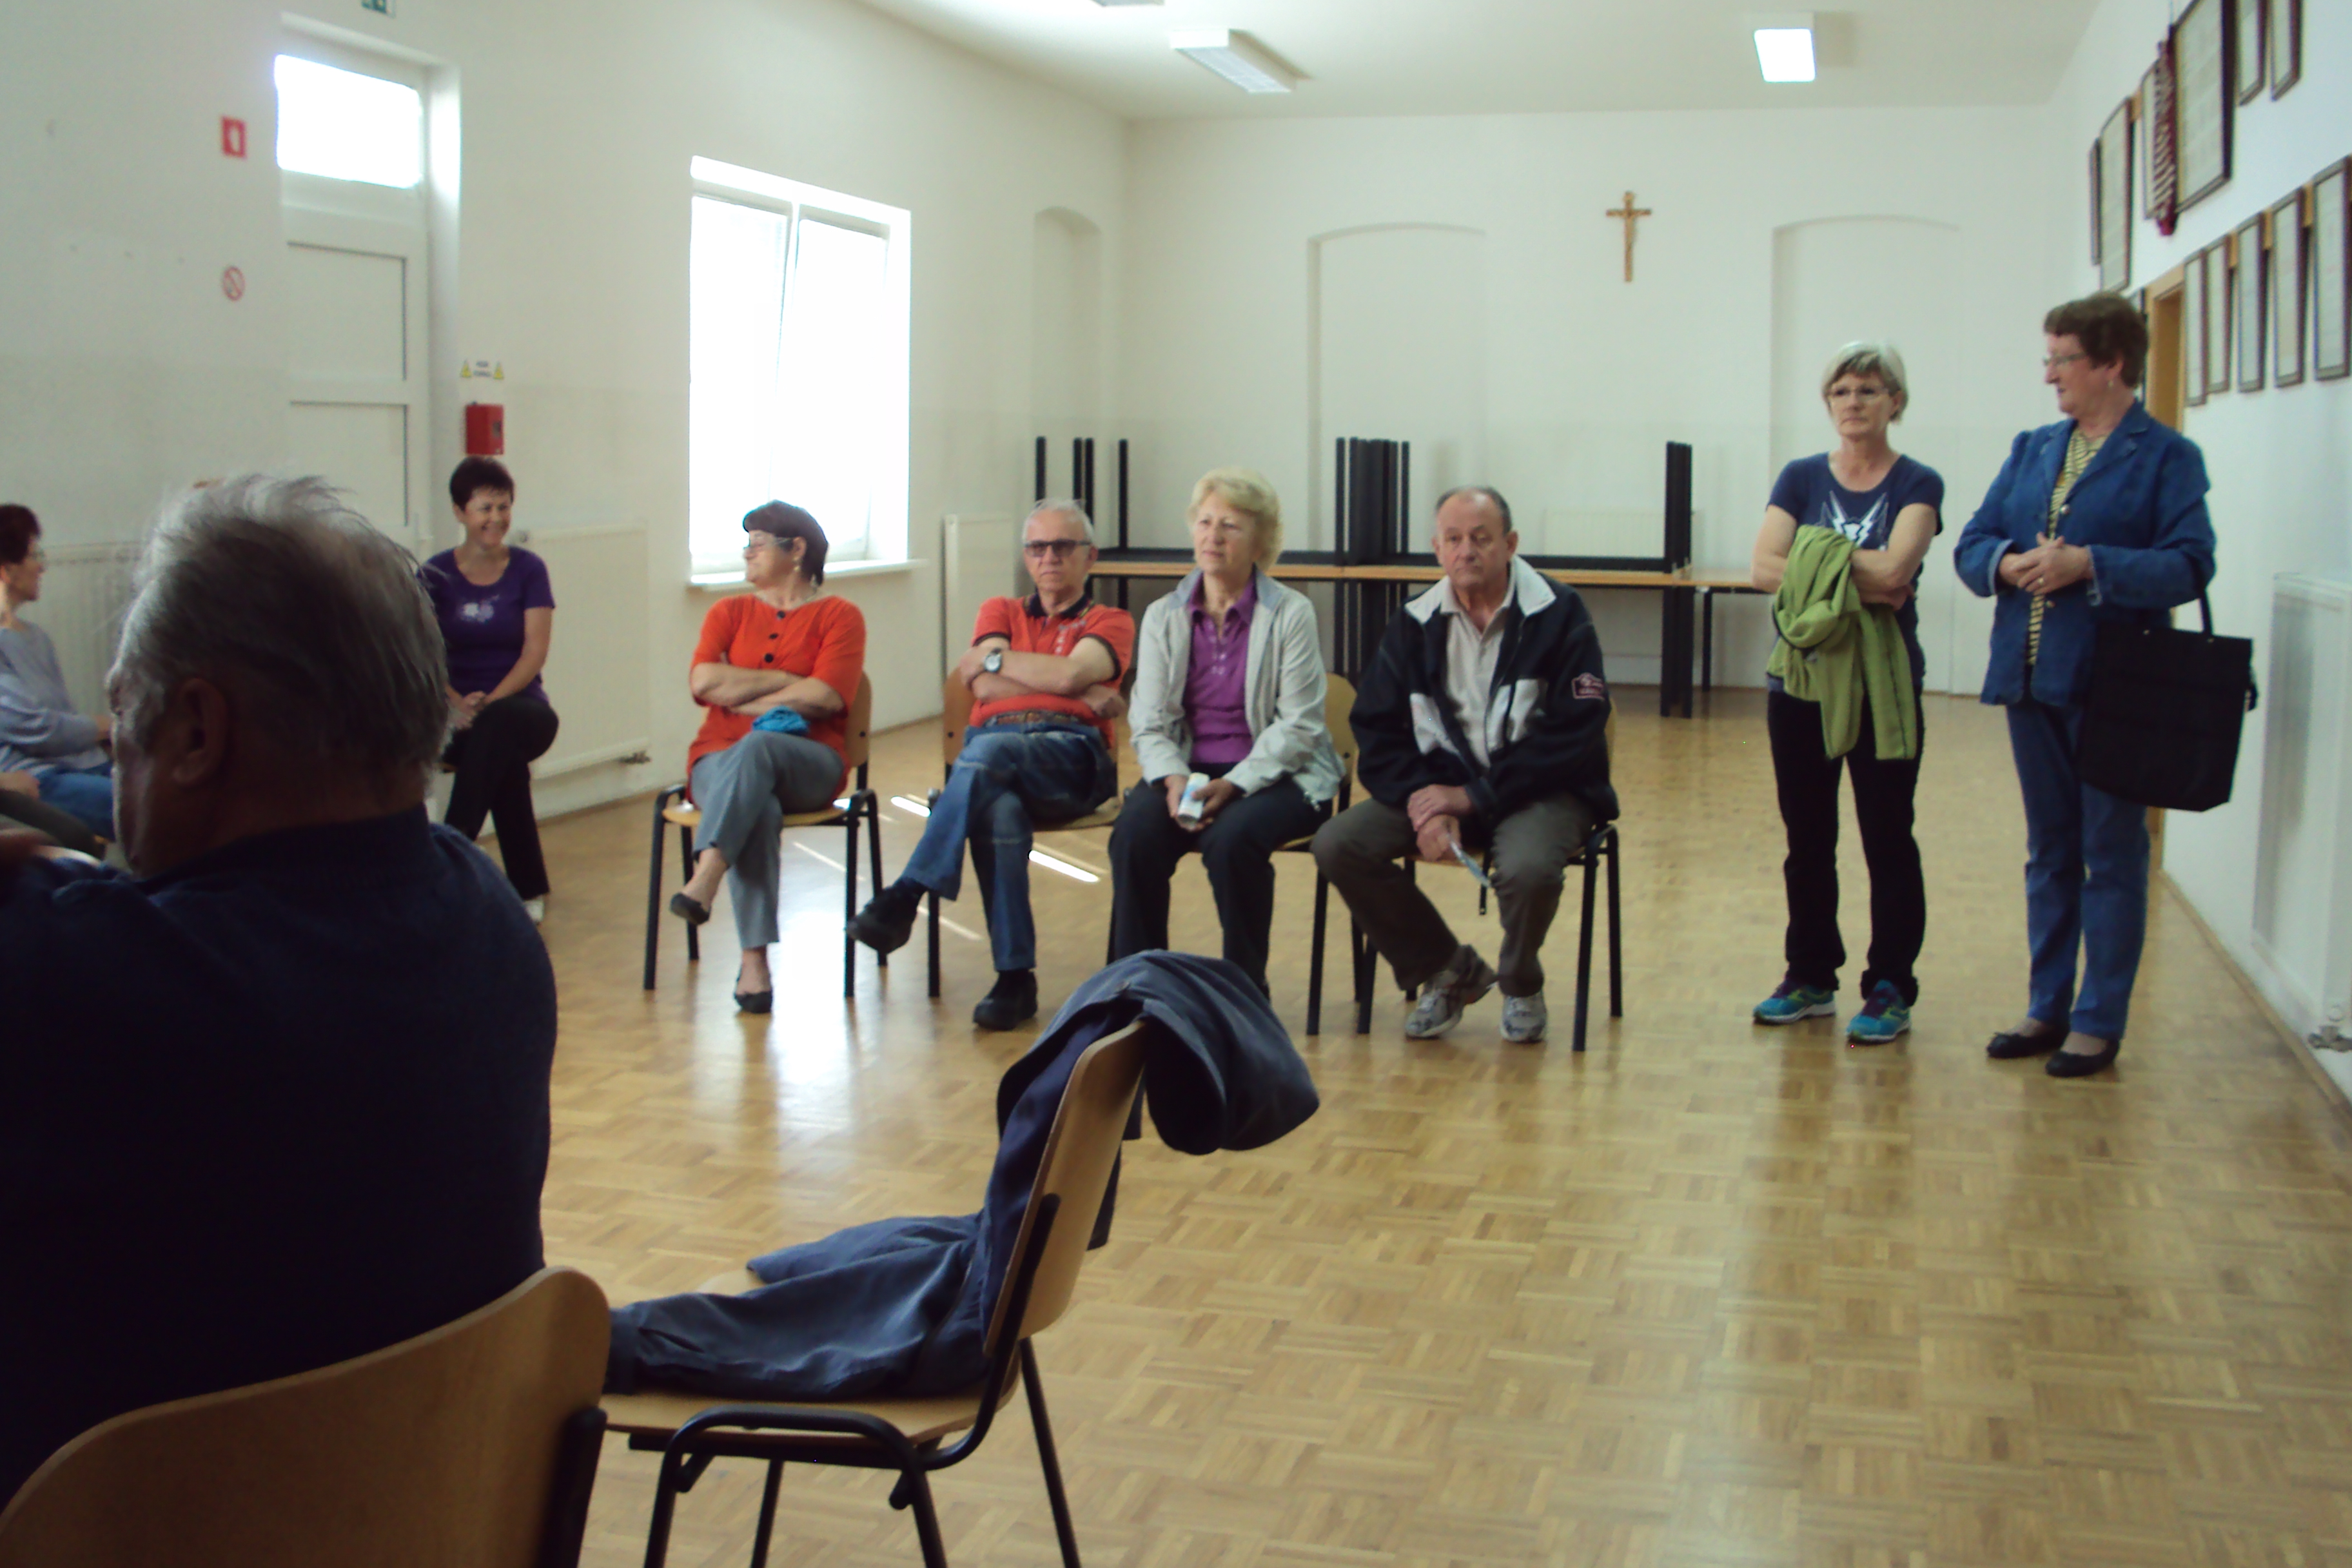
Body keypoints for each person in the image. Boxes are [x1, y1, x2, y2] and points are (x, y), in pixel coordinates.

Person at [0, 475, 554, 1507]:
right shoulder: (489, 921)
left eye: (125, 713)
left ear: (197, 731)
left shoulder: (70, 980)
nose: (117, 750)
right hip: (428, 1520)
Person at [1954, 293, 2215, 1079]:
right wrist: (2006, 563)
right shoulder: (2034, 448)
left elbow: (2190, 563)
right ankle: (2047, 1005)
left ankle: (2098, 1022)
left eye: (2062, 359)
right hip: (2032, 679)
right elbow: (1972, 542)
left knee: (2112, 851)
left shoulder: (2167, 456)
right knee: (2050, 851)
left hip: (2118, 688)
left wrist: (2090, 563)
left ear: (2111, 363)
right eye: (2050, 358)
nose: (2050, 375)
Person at [1313, 486, 1618, 1044]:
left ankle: (1520, 981)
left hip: (1541, 791)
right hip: (1442, 790)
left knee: (1528, 869)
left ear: (1511, 544)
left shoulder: (1559, 612)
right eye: (1453, 539)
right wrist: (1427, 806)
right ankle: (1448, 970)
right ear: (1437, 548)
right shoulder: (1414, 622)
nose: (1466, 551)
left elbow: (1576, 733)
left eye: (1481, 538)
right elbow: (1377, 730)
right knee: (1338, 844)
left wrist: (1476, 796)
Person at [848, 501, 1133, 1030]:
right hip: (997, 747)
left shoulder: (1110, 621)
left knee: (984, 755)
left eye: (1063, 547)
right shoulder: (999, 610)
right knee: (997, 809)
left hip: (1071, 757)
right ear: (1026, 557)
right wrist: (1067, 685)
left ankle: (907, 893)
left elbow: (1067, 675)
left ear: (1090, 556)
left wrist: (1012, 667)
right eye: (1037, 548)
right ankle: (1014, 978)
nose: (1049, 558)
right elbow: (981, 685)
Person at [1749, 343, 1944, 1044]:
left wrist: (1812, 559)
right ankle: (1809, 976)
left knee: (1888, 837)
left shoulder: (1918, 481)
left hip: (1882, 686)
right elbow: (1761, 567)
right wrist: (1856, 570)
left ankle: (1890, 985)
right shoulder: (1801, 476)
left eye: (1868, 389)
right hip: (1800, 681)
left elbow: (1897, 575)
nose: (1853, 402)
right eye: (1841, 391)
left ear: (1896, 401)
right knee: (1807, 839)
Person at [1108, 469, 1340, 997]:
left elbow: (1300, 725)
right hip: (1187, 769)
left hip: (1280, 774)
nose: (1213, 536)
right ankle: (1140, 988)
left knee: (1232, 840)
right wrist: (1172, 779)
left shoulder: (1291, 613)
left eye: (1230, 526)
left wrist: (1234, 784)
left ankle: (1244, 992)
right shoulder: (1164, 615)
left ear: (1260, 542)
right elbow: (1148, 721)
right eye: (1205, 522)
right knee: (1134, 835)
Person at [669, 502, 867, 1014]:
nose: (747, 553)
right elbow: (703, 682)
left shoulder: (840, 616)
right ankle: (753, 962)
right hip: (716, 760)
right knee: (759, 803)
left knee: (757, 746)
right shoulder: (728, 613)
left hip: (810, 761)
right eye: (747, 543)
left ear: (796, 549)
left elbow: (826, 697)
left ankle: (707, 874)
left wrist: (743, 694)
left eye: (757, 543)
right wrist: (787, 682)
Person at [421, 458, 559, 923]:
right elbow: (419, 651)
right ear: (460, 512)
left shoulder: (529, 569)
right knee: (502, 759)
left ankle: (446, 859)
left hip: (522, 709)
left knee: (499, 727)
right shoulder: (435, 574)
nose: (496, 519)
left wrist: (491, 702)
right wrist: (454, 703)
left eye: (504, 507)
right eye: (485, 508)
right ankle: (527, 888)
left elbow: (535, 652)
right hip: (453, 717)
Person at [0, 504, 115, 841]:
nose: (42, 567)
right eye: (34, 556)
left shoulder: (36, 637)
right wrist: (108, 726)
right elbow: (36, 729)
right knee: (151, 807)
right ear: (6, 570)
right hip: (38, 778)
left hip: (83, 764)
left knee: (177, 789)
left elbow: (60, 720)